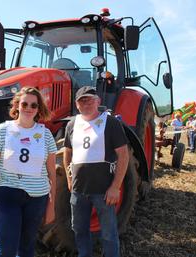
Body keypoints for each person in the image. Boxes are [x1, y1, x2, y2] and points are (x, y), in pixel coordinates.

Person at [0, 87, 57, 257]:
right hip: (8, 196)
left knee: (26, 249)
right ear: (17, 105)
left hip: (37, 199)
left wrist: (51, 207)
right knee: (6, 251)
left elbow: (52, 173)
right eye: (25, 104)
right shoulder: (2, 131)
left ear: (38, 109)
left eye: (34, 105)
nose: (29, 108)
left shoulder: (45, 135)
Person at [63, 86, 129, 257]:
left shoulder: (111, 122)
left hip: (104, 191)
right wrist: (69, 180)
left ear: (98, 101)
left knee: (108, 233)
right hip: (78, 191)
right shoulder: (71, 124)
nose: (86, 103)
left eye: (90, 99)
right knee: (79, 230)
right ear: (77, 104)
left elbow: (123, 155)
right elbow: (67, 153)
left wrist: (116, 186)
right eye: (82, 100)